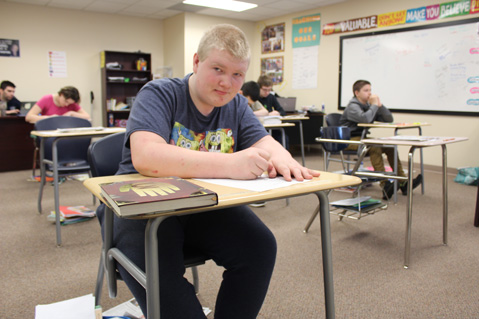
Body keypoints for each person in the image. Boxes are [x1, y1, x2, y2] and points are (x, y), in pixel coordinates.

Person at [97, 24, 320, 319]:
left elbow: (267, 143)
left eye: (237, 74)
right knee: (167, 282)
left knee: (260, 247)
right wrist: (232, 164)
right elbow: (146, 157)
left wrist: (286, 161)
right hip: (142, 209)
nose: (227, 83)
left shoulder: (237, 105)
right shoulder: (159, 93)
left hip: (200, 205)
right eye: (218, 69)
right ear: (196, 62)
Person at [340, 79, 422, 199]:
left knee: (389, 146)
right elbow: (365, 119)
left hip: (362, 138)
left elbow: (388, 119)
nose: (370, 93)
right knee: (373, 146)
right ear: (357, 93)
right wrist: (373, 106)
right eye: (366, 90)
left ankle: (403, 182)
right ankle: (385, 185)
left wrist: (379, 105)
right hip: (348, 140)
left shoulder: (368, 106)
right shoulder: (352, 107)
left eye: (370, 90)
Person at [25, 86, 91, 123]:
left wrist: (71, 113)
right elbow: (28, 117)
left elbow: (87, 116)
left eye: (69, 103)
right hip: (49, 132)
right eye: (65, 101)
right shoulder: (46, 99)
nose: (66, 104)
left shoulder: (71, 103)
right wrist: (49, 118)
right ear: (61, 94)